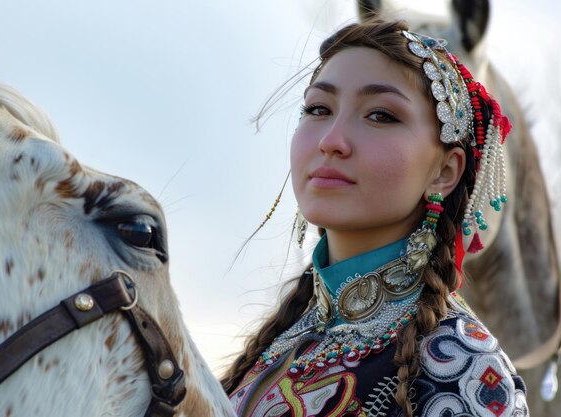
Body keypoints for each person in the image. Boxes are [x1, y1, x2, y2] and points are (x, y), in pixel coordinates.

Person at [221, 19, 528, 417]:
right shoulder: (277, 343)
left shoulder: (463, 368)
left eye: (381, 115)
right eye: (318, 108)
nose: (331, 140)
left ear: (444, 172)